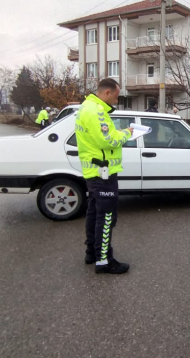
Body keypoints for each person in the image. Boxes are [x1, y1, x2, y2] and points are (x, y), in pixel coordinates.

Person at [77, 78, 133, 275]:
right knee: (107, 216)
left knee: (94, 213)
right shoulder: (96, 111)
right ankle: (104, 261)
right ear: (107, 92)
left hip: (94, 172)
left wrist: (117, 132)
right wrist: (127, 133)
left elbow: (100, 136)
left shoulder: (87, 107)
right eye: (117, 96)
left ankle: (92, 252)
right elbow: (108, 140)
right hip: (103, 173)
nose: (117, 101)